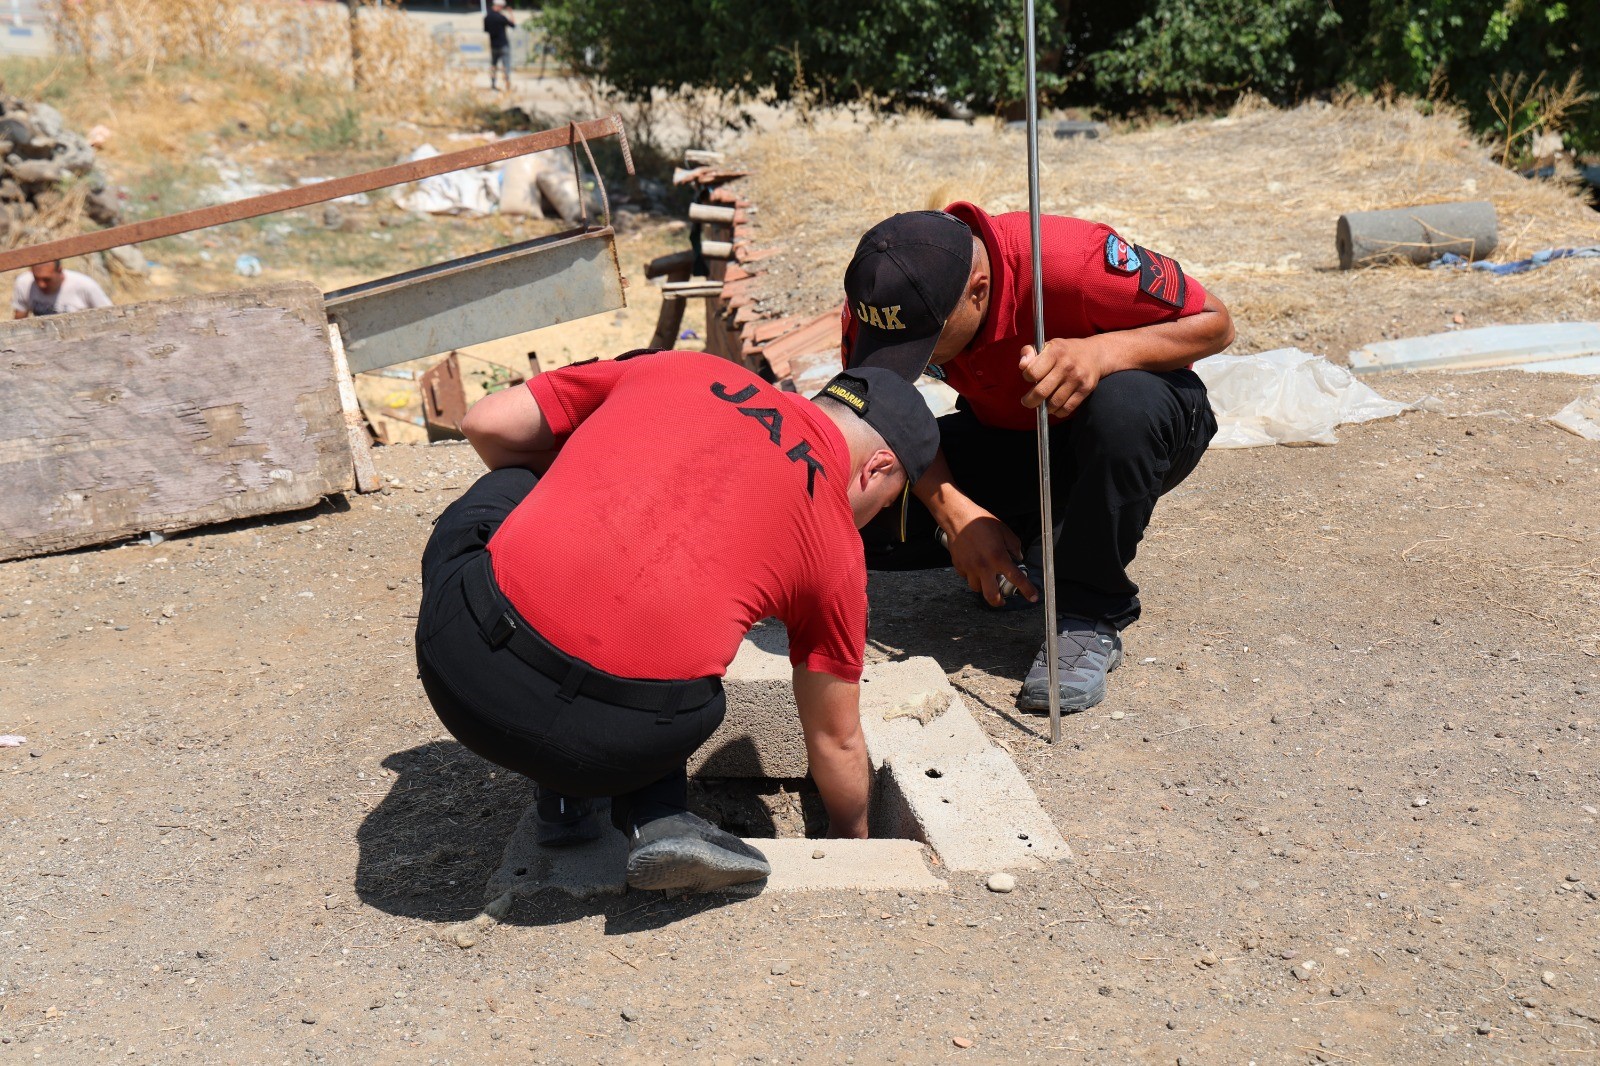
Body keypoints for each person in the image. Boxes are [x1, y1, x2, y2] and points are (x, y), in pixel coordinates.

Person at [414, 348, 938, 892]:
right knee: (679, 665)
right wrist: (852, 837)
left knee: (516, 479)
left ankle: (566, 806)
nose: (869, 520)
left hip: (461, 674)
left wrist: (578, 483)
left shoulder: (686, 368)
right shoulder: (836, 545)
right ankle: (654, 815)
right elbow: (836, 737)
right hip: (618, 748)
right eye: (883, 504)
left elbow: (487, 422)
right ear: (876, 468)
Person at [840, 205, 1235, 713]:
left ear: (979, 291)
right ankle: (1025, 545)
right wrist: (956, 516)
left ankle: (1088, 611)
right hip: (1012, 434)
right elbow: (878, 410)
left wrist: (1101, 355)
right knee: (851, 500)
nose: (913, 362)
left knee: (1124, 408)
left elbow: (1215, 323)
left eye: (925, 347)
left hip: (1130, 425)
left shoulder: (1070, 261)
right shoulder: (881, 299)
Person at [12, 260, 112, 319]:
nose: (41, 285)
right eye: (36, 279)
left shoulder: (85, 286)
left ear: (59, 271)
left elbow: (110, 315)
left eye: (47, 279)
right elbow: (20, 318)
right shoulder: (24, 283)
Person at [483, 0, 515, 93]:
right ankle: (507, 86)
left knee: (493, 66)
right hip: (503, 45)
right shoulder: (501, 17)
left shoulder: (487, 17)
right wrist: (511, 13)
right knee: (506, 67)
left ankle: (493, 85)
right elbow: (513, 24)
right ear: (499, 6)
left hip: (493, 46)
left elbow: (486, 30)